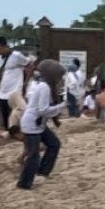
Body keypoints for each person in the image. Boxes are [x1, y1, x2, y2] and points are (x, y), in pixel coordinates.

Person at [17, 59, 68, 190]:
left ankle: (43, 172)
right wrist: (61, 106)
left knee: (54, 144)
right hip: (31, 124)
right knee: (33, 155)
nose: (60, 79)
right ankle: (24, 183)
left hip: (38, 125)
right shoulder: (44, 87)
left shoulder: (44, 86)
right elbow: (43, 110)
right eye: (59, 76)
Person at [0, 36, 34, 125]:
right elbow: (0, 75)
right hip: (2, 92)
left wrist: (25, 83)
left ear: (5, 46)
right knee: (5, 117)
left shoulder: (16, 55)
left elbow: (30, 66)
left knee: (15, 117)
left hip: (15, 91)